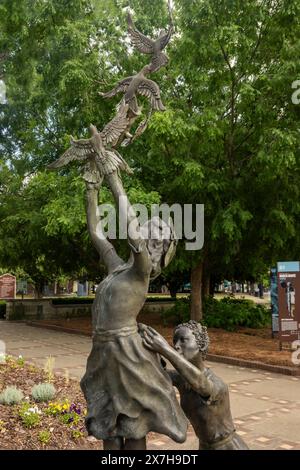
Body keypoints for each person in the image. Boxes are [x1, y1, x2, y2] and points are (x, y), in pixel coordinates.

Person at [80, 170, 188, 450]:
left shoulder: (142, 273)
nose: (147, 236)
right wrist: (92, 189)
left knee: (133, 427)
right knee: (108, 428)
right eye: (149, 231)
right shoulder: (117, 267)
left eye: (156, 238)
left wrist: (113, 176)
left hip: (127, 356)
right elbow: (95, 233)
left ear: (159, 252)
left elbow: (131, 230)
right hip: (103, 353)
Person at [140, 320, 249, 450]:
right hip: (204, 446)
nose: (176, 346)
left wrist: (165, 349)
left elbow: (200, 384)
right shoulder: (181, 379)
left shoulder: (216, 385)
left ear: (201, 345)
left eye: (183, 340)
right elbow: (154, 375)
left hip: (228, 447)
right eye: (174, 341)